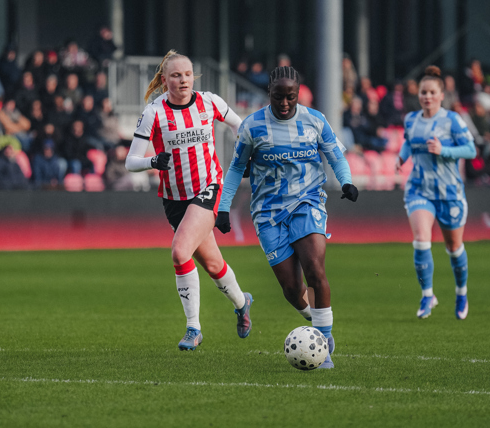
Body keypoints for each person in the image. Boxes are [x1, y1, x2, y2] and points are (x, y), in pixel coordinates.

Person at [215, 66, 360, 370]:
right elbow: (236, 169)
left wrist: (345, 181)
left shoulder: (315, 120)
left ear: (298, 94)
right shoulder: (252, 127)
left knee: (315, 271)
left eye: (290, 97)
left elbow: (335, 154)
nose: (284, 103)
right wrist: (224, 208)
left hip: (307, 202)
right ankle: (313, 319)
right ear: (269, 93)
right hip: (267, 213)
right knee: (293, 290)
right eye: (278, 97)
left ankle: (324, 341)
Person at [125, 50, 252, 351]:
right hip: (174, 199)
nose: (182, 80)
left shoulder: (210, 102)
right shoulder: (154, 113)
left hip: (209, 187)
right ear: (164, 80)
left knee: (180, 252)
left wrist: (244, 153)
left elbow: (241, 126)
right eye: (175, 75)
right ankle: (242, 302)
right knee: (212, 263)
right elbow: (131, 161)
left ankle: (193, 328)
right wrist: (152, 161)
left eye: (187, 74)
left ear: (194, 76)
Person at [395, 66, 477, 320]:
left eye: (432, 92)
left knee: (454, 248)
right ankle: (427, 294)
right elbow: (409, 142)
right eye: (423, 92)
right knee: (421, 238)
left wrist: (445, 151)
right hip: (420, 188)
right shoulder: (411, 119)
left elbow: (471, 150)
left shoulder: (452, 120)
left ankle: (461, 293)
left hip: (449, 191)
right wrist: (402, 158)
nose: (427, 96)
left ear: (442, 95)